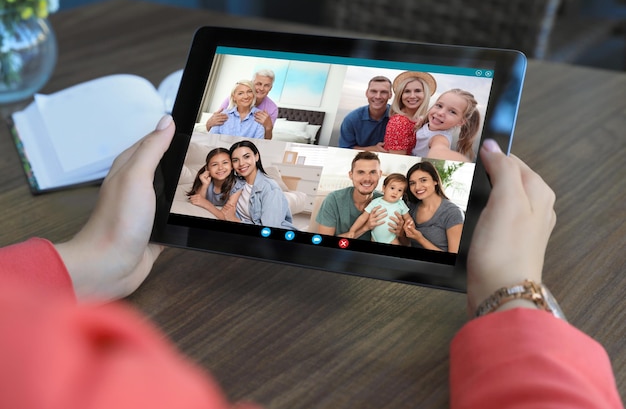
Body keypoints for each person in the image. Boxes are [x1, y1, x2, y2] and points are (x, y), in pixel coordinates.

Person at [0, 116, 622, 408]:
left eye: (384, 175)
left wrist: (91, 262)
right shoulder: (325, 196)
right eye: (225, 161)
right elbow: (329, 232)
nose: (232, 166)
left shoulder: (416, 203)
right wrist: (514, 294)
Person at [315, 151, 403, 241]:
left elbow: (403, 241)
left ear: (380, 174)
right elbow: (323, 242)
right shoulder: (334, 200)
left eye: (373, 172)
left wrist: (401, 234)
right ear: (351, 175)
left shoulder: (387, 201)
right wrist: (365, 227)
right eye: (361, 172)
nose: (367, 179)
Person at [225, 140, 297, 230]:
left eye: (246, 157)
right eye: (235, 160)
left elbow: (269, 229)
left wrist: (235, 220)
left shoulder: (270, 188)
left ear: (256, 157)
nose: (241, 163)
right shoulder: (236, 183)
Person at [401, 161, 464, 253]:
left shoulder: (453, 213)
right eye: (412, 183)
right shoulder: (409, 207)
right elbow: (406, 244)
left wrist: (420, 239)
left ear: (435, 181)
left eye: (423, 180)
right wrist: (400, 234)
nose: (417, 187)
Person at [207, 69, 278, 139]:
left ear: (270, 88)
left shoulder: (272, 109)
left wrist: (269, 127)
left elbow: (265, 142)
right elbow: (212, 129)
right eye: (258, 84)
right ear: (251, 83)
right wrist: (209, 123)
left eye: (266, 85)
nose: (262, 88)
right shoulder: (230, 101)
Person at [414, 88, 481, 162]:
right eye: (439, 106)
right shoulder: (428, 123)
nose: (440, 112)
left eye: (452, 112)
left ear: (460, 122)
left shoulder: (440, 138)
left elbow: (440, 148)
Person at [346, 173, 411, 245]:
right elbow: (362, 218)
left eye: (399, 190)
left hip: (392, 238)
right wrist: (352, 230)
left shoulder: (400, 204)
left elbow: (408, 218)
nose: (395, 192)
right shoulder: (375, 202)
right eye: (392, 188)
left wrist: (411, 227)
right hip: (375, 237)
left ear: (402, 194)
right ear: (384, 188)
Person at [383, 71, 436, 155]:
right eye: (407, 91)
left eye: (417, 91)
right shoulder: (399, 122)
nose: (412, 96)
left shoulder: (422, 119)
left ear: (425, 94)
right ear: (400, 95)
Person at [185, 147, 243, 220]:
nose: (220, 168)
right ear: (207, 169)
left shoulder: (237, 184)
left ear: (232, 166)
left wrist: (207, 204)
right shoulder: (206, 180)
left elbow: (226, 216)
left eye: (225, 163)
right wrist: (205, 185)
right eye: (214, 164)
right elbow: (198, 201)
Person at [338, 76, 392, 151]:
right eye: (373, 91)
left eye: (383, 92)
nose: (378, 96)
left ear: (390, 95)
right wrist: (373, 149)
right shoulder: (351, 119)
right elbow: (344, 149)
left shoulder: (399, 118)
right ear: (367, 93)